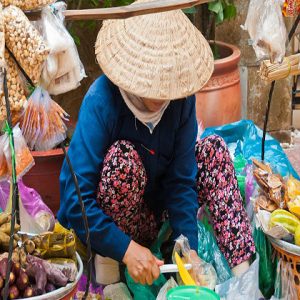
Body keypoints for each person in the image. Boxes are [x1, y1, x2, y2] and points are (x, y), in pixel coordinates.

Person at [58, 0, 255, 287]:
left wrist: (188, 249)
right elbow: (75, 201)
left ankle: (244, 279)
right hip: (116, 224)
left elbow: (181, 180)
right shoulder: (102, 101)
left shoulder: (180, 100)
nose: (163, 93)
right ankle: (109, 266)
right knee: (122, 159)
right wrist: (125, 249)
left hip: (158, 213)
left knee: (213, 149)